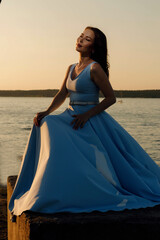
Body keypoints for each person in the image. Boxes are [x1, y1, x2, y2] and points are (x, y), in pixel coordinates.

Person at [9, 26, 160, 222]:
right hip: (71, 114)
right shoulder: (71, 67)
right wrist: (46, 112)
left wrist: (87, 115)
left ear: (94, 48)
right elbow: (62, 93)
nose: (80, 40)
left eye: (87, 39)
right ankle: (49, 183)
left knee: (118, 161)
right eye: (81, 36)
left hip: (90, 117)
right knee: (45, 123)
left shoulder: (95, 68)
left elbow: (111, 98)